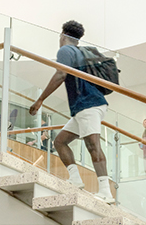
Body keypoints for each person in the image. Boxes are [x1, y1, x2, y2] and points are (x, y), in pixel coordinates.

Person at [29, 20, 113, 203]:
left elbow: (60, 74)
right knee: (60, 141)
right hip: (85, 106)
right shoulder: (81, 52)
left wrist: (40, 99)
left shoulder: (66, 51)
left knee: (93, 145)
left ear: (63, 35)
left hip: (88, 104)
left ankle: (106, 192)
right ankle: (75, 180)